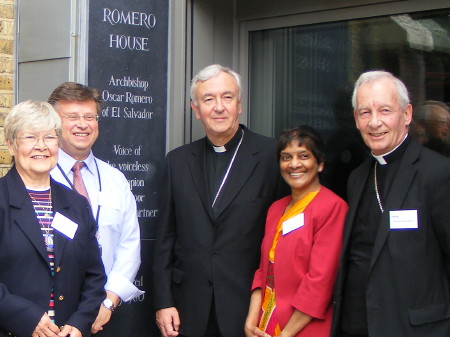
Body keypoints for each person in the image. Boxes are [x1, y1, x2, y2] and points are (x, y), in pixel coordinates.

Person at [152, 64, 288, 337]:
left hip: (249, 308)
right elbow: (166, 236)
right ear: (196, 109)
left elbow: (283, 241)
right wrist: (164, 301)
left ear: (239, 105)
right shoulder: (177, 161)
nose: (219, 107)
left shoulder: (271, 156)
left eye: (227, 97)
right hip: (188, 308)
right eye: (208, 99)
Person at [330, 71, 450, 337]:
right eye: (365, 112)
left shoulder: (438, 173)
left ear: (406, 114)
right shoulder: (357, 177)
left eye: (385, 110)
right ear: (355, 120)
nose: (375, 122)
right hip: (357, 325)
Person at [0, 100, 106, 337]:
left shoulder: (76, 204)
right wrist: (25, 318)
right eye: (30, 138)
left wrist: (79, 322)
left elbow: (94, 274)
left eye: (49, 137)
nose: (41, 146)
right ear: (11, 145)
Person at [48, 82, 143, 334]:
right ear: (54, 124)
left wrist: (108, 301)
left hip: (107, 314)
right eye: (72, 117)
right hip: (53, 318)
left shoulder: (115, 179)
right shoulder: (41, 178)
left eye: (90, 116)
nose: (83, 124)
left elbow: (129, 245)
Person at [245, 125, 348, 337]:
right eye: (286, 157)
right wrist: (251, 320)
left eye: (303, 156)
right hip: (265, 323)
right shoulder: (276, 209)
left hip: (304, 327)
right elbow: (264, 270)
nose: (294, 164)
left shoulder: (332, 208)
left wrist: (286, 334)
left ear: (320, 164)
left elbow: (320, 281)